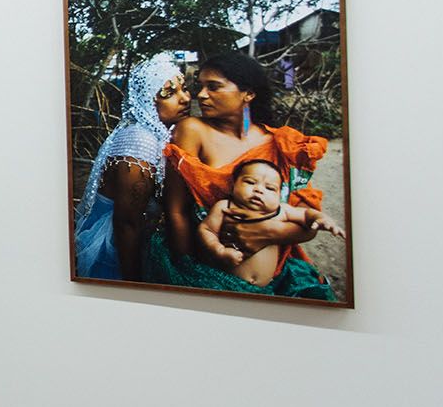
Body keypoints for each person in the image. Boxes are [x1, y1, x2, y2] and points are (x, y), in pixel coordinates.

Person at [147, 51, 337, 299]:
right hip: (205, 266)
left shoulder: (281, 144)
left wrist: (267, 232)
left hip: (277, 271)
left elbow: (307, 222)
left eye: (213, 87)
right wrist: (188, 271)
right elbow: (176, 211)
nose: (201, 95)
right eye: (200, 86)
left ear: (248, 94)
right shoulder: (192, 131)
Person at [73, 53, 191, 280]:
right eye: (169, 93)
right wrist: (133, 283)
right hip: (116, 249)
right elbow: (127, 222)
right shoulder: (140, 140)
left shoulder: (157, 135)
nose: (185, 98)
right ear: (147, 100)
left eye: (184, 89)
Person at [197, 158, 345, 288]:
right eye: (250, 182)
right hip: (224, 281)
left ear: (279, 195)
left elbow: (306, 214)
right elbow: (207, 230)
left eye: (270, 188)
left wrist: (322, 218)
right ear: (233, 185)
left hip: (268, 286)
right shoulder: (225, 207)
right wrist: (219, 250)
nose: (259, 190)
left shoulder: (281, 211)